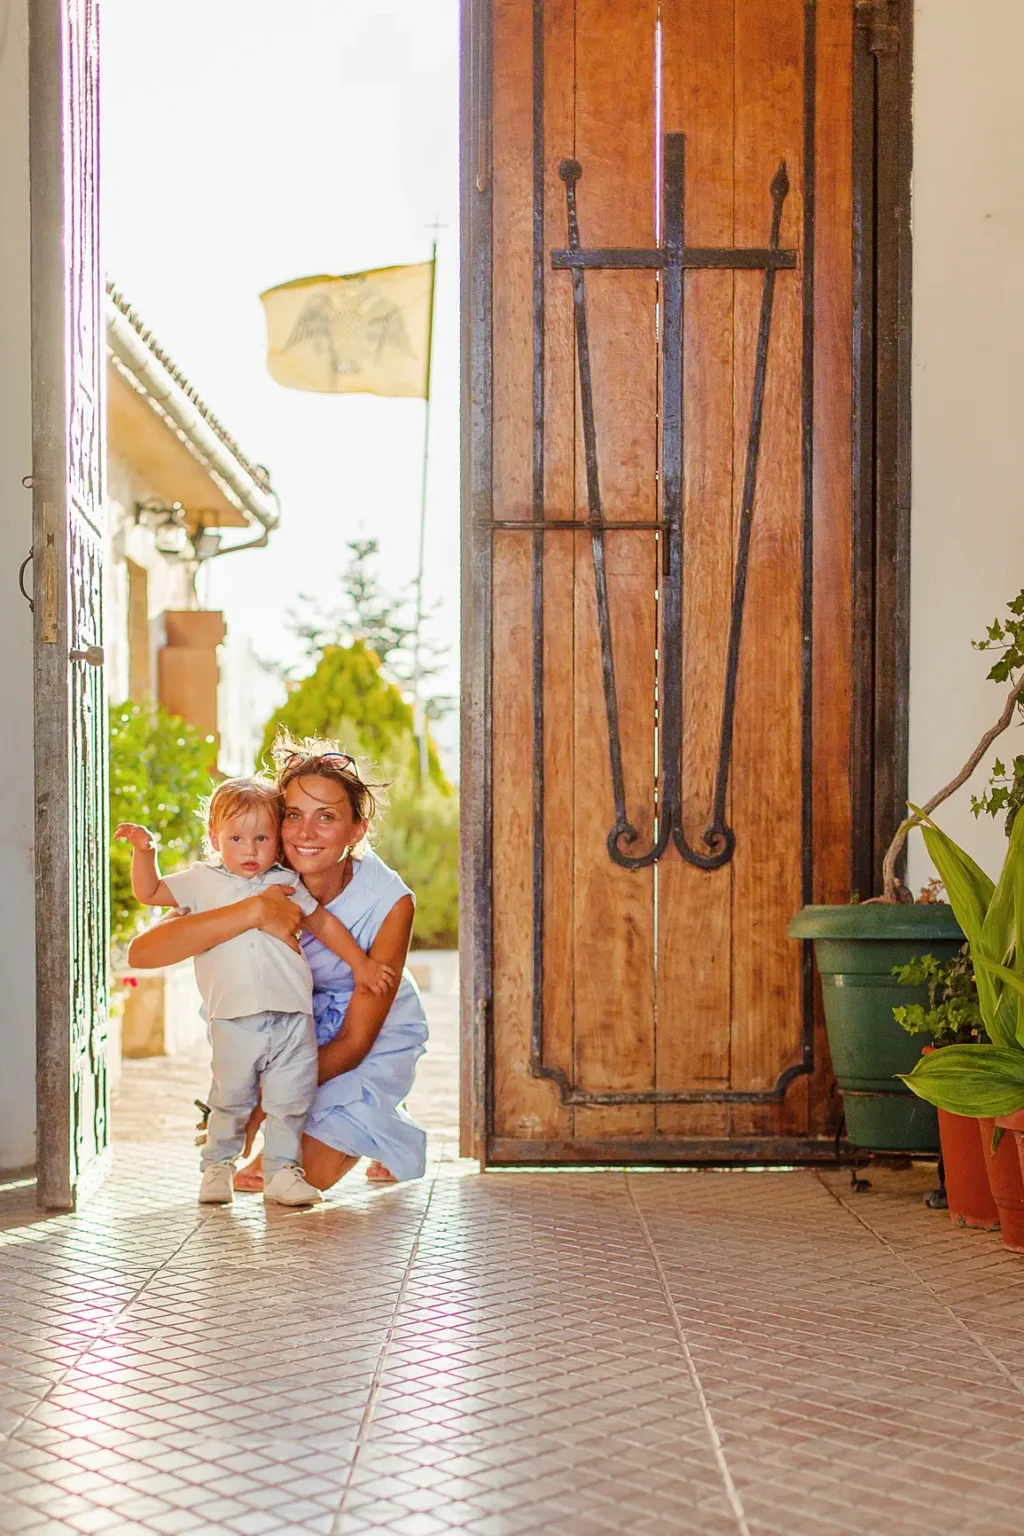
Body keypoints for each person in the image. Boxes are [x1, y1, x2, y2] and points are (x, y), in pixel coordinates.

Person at [126, 744, 429, 1194]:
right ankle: (342, 1120)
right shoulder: (254, 865)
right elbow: (143, 954)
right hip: (278, 1018)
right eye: (293, 815)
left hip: (363, 1032)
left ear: (356, 828)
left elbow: (354, 1040)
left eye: (326, 816)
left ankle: (379, 1118)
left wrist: (256, 1108)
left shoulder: (390, 900)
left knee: (312, 1173)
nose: (305, 832)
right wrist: (252, 911)